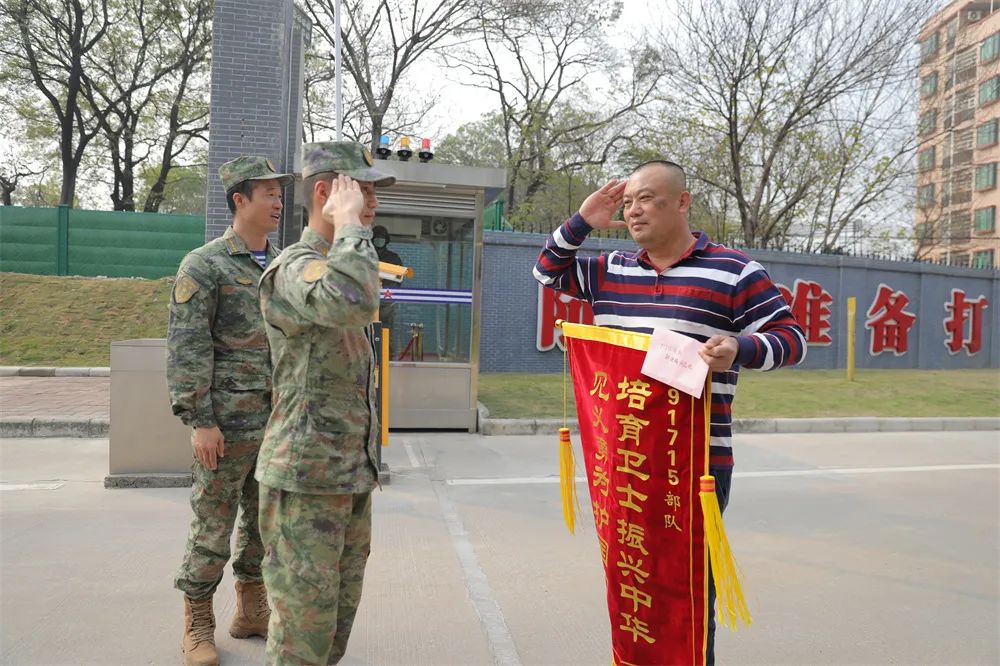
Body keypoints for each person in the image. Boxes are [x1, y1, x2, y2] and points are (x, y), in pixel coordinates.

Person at [533, 159, 806, 665]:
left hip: (695, 465)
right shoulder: (608, 270)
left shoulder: (732, 271)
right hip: (622, 461)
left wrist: (739, 347)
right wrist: (583, 220)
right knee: (631, 578)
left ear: (682, 202)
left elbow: (792, 340)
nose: (633, 211)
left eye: (646, 198)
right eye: (628, 201)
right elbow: (546, 270)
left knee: (685, 589)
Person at [256, 141, 395, 665]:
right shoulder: (294, 268)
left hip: (346, 476)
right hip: (305, 480)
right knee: (301, 639)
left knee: (333, 629)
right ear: (325, 192)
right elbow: (353, 299)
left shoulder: (342, 262)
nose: (372, 205)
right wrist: (354, 228)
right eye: (362, 191)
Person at [167, 155, 294, 666]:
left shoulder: (285, 263)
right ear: (240, 199)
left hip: (276, 423)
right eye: (268, 193)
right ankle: (198, 621)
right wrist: (200, 421)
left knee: (264, 525)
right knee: (212, 526)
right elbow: (187, 347)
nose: (279, 201)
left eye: (280, 193)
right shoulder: (204, 265)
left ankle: (250, 608)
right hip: (224, 425)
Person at [372, 224, 403, 350]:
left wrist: (388, 294)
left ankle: (387, 354)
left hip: (386, 302)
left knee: (386, 329)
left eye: (382, 237)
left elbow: (399, 279)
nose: (379, 240)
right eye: (377, 237)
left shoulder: (393, 258)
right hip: (366, 301)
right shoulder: (365, 256)